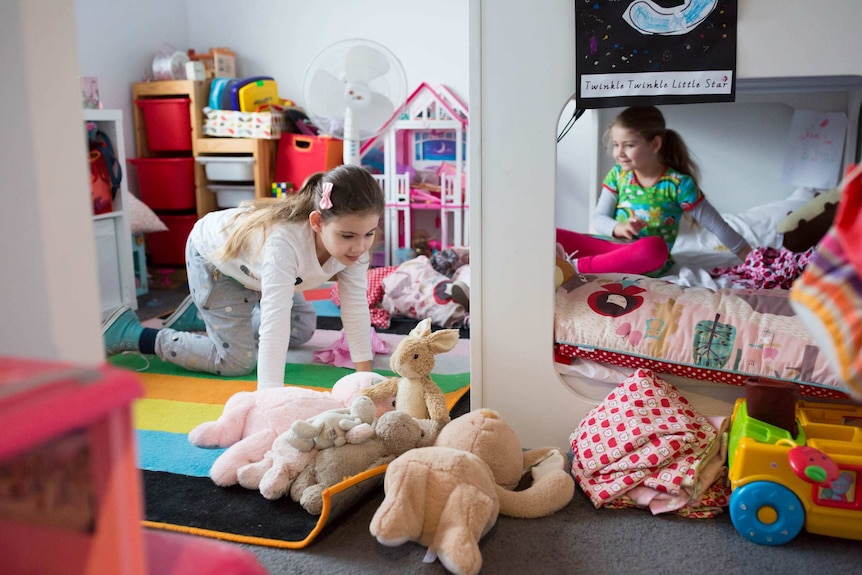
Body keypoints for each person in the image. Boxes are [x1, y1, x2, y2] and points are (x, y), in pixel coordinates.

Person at [102, 164, 385, 389]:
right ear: (317, 223)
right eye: (348, 236)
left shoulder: (355, 249)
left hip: (260, 275)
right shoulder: (284, 244)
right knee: (237, 361)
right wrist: (269, 397)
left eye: (369, 234)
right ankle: (133, 333)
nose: (360, 246)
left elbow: (355, 307)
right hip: (217, 264)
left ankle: (201, 313)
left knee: (301, 327)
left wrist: (366, 381)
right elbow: (274, 322)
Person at [557, 105, 751, 277]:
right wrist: (620, 228)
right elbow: (598, 219)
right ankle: (575, 264)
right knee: (554, 235)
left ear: (655, 144)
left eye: (629, 145)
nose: (619, 153)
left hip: (646, 258)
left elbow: (717, 226)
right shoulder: (617, 175)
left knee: (654, 248)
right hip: (611, 247)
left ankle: (574, 267)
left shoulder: (678, 184)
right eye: (616, 145)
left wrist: (750, 258)